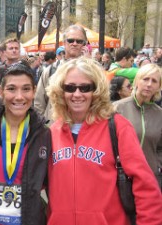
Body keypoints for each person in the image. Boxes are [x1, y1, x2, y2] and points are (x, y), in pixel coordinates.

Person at [46, 57, 162, 225]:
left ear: (96, 91)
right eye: (70, 87)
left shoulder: (118, 127)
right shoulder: (52, 132)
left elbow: (145, 185)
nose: (77, 94)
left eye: (85, 87)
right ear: (60, 91)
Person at [0, 61, 51, 225]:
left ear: (34, 91)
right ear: (1, 91)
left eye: (26, 89)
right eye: (11, 89)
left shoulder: (45, 134)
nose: (19, 96)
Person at [114, 63, 162, 190]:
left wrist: (157, 163)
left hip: (149, 177)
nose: (149, 84)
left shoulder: (159, 114)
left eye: (154, 81)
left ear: (159, 86)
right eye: (145, 79)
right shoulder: (117, 108)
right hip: (120, 177)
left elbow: (160, 147)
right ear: (136, 81)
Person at [34, 24, 88, 123]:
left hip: (84, 130)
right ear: (64, 43)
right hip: (55, 130)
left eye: (79, 41)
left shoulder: (92, 72)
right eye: (70, 40)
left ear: (84, 44)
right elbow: (39, 103)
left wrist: (89, 64)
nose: (74, 44)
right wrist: (44, 126)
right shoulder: (50, 71)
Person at [0, 38, 21, 109]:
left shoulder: (26, 71)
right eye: (11, 48)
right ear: (5, 52)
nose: (14, 50)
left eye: (16, 48)